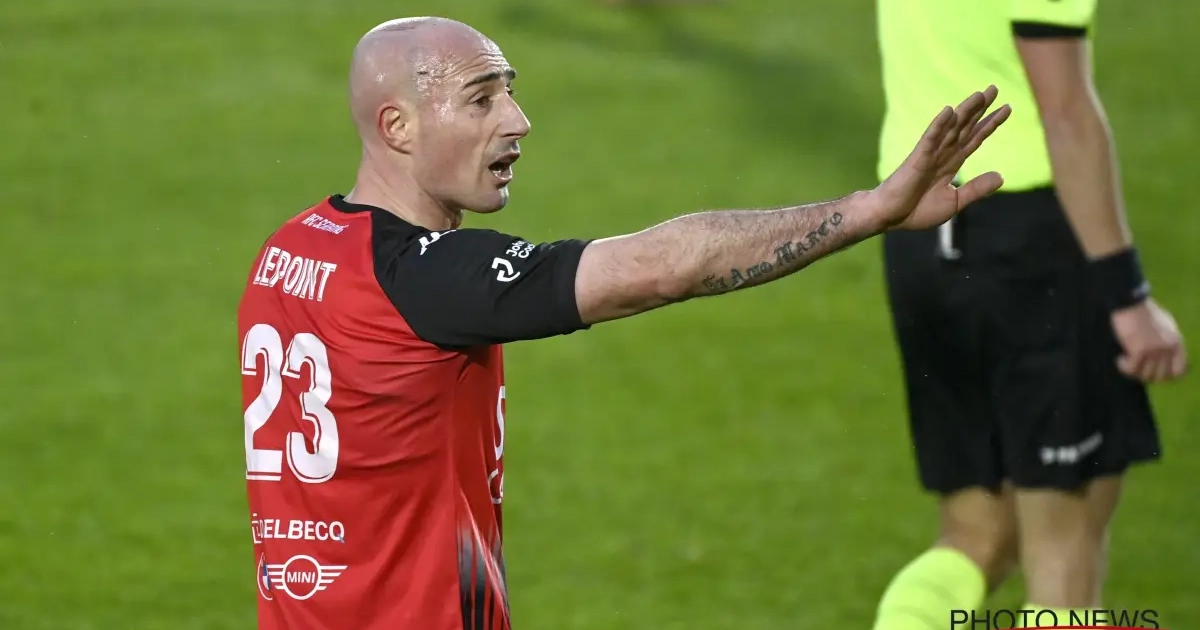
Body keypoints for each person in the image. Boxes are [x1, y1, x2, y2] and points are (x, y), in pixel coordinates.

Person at [237, 16, 1008, 630]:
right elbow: (665, 266)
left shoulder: (287, 251)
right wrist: (867, 212)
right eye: (481, 100)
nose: (518, 120)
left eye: (510, 92)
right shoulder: (427, 280)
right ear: (398, 126)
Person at [870, 1, 1188, 628]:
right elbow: (1065, 114)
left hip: (916, 229)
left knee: (975, 536)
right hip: (1029, 242)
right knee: (1064, 567)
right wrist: (1127, 295)